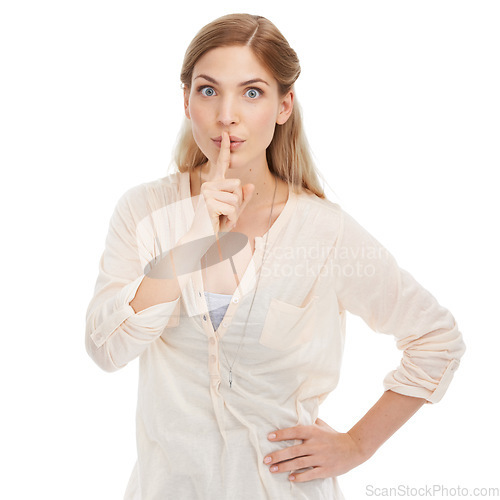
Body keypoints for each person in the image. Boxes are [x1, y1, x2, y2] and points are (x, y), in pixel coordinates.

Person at [85, 13, 466, 500]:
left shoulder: (324, 232)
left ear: (283, 105)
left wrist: (356, 445)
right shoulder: (143, 212)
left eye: (251, 92)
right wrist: (193, 239)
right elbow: (106, 350)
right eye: (208, 91)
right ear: (185, 100)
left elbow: (436, 339)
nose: (227, 114)